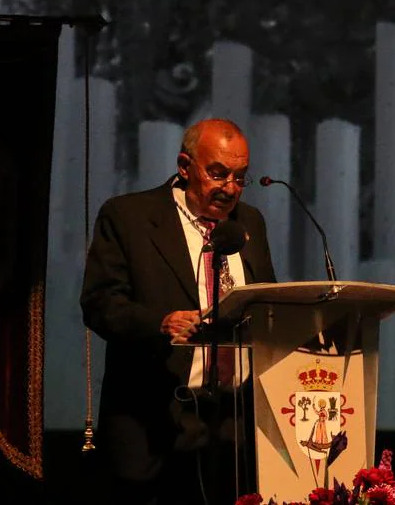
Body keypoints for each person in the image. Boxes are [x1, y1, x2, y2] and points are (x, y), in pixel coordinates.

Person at [81, 118, 277, 505]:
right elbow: (100, 303)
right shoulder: (129, 217)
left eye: (240, 178)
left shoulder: (249, 222)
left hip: (235, 430)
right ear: (185, 166)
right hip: (154, 425)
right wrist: (159, 322)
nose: (230, 189)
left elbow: (266, 306)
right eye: (218, 173)